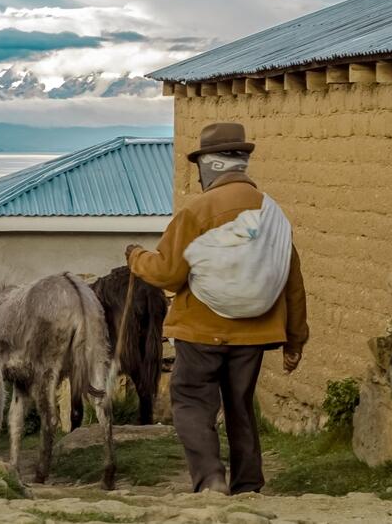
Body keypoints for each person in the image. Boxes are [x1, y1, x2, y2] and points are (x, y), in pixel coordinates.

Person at [126, 122, 308, 496]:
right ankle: (249, 484)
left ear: (208, 166)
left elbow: (168, 273)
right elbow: (292, 281)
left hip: (201, 331)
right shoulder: (274, 215)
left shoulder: (198, 212)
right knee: (241, 406)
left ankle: (210, 479)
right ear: (242, 163)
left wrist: (136, 258)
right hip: (256, 332)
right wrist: (295, 341)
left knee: (192, 402)